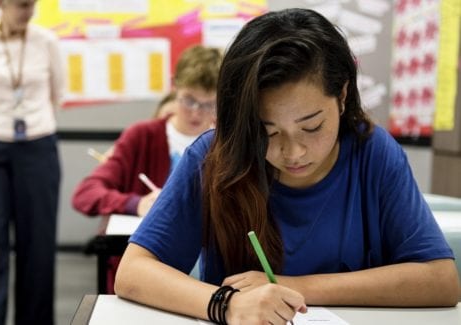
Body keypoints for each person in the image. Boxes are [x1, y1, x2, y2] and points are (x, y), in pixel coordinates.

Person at [114, 8, 460, 325]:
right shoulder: (214, 157)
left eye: (311, 127)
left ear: (341, 97)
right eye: (267, 132)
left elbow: (440, 280)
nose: (293, 152)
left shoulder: (373, 153)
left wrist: (291, 286)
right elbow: (133, 273)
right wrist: (228, 305)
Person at [72, 45, 221, 293]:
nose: (196, 112)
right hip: (148, 276)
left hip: (210, 278)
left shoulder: (224, 143)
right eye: (189, 100)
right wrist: (135, 204)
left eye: (208, 104)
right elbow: (85, 193)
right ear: (174, 88)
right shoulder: (143, 136)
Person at [0, 0, 64, 323]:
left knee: (38, 246)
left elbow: (57, 93)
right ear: (1, 4)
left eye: (32, 5)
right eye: (21, 5)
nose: (28, 11)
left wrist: (30, 121)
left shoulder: (47, 41)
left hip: (37, 146)